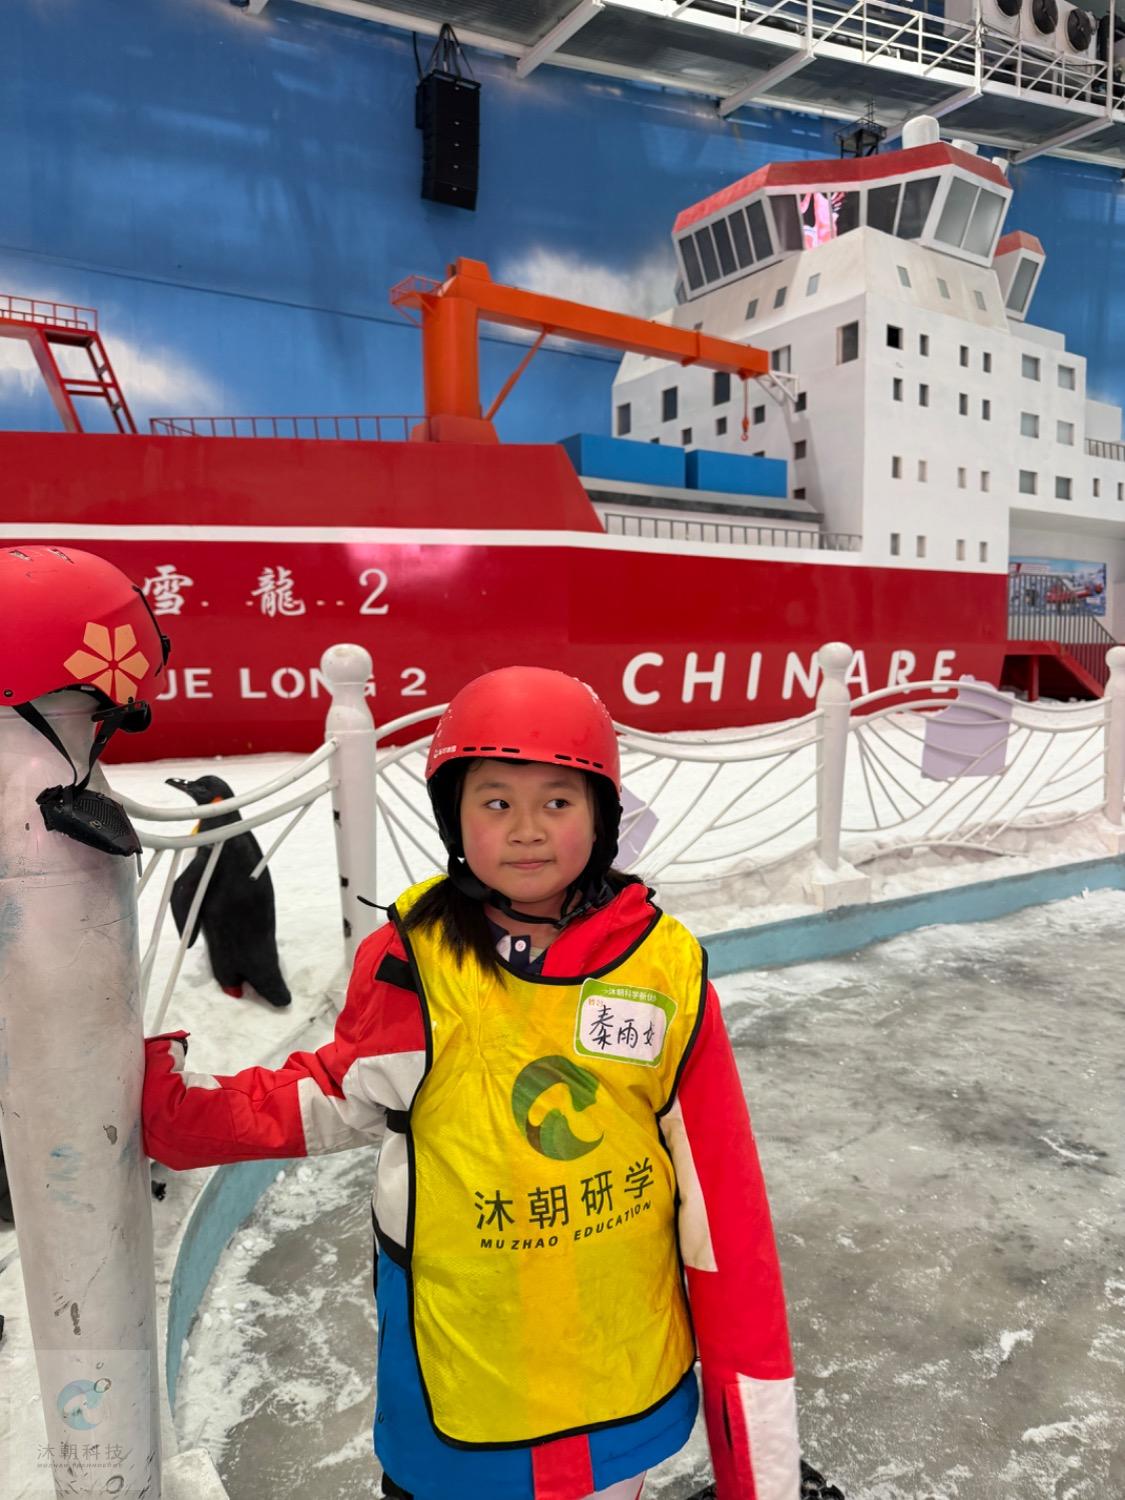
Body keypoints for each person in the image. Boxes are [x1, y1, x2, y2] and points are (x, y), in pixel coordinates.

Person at [142, 666, 801, 1500]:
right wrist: (179, 1115)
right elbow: (334, 1092)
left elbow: (721, 1204)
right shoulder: (413, 963)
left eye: (557, 801)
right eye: (494, 802)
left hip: (618, 1375)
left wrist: (758, 1468)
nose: (526, 830)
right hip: (461, 1371)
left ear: (601, 818)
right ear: (454, 817)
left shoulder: (661, 968)